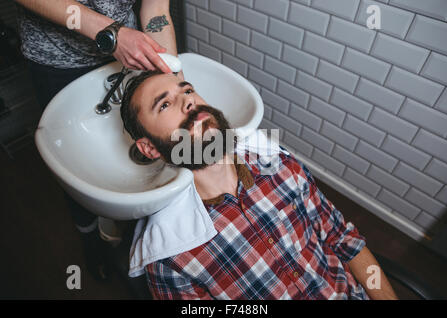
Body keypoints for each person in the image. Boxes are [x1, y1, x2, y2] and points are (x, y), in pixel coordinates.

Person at [119, 70, 399, 300]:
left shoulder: (280, 167)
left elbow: (342, 239)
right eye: (164, 104)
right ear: (149, 149)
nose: (188, 102)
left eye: (188, 89)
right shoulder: (171, 260)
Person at [14, 0, 179, 281]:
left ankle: (133, 242)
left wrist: (174, 89)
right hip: (59, 61)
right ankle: (90, 241)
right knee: (74, 164)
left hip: (127, 49)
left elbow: (156, 12)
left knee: (134, 144)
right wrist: (111, 33)